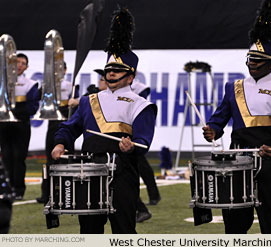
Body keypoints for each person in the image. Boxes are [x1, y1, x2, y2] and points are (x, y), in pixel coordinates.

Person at [51, 7, 157, 233]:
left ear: (130, 75)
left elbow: (143, 141)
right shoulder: (89, 100)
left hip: (122, 170)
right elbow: (70, 128)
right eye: (108, 69)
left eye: (117, 69)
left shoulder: (141, 104)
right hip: (89, 169)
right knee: (89, 231)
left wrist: (132, 146)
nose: (110, 73)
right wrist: (60, 143)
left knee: (123, 230)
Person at [202, 0, 271, 234]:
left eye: (259, 61)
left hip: (267, 166)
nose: (253, 64)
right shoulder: (233, 87)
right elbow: (219, 120)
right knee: (234, 227)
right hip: (236, 164)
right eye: (251, 59)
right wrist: (212, 130)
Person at [37, 62, 79, 204]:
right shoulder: (47, 85)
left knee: (67, 160)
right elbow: (39, 98)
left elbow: (76, 107)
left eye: (61, 68)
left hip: (66, 125)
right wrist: (46, 86)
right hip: (52, 124)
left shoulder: (71, 86)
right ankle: (46, 194)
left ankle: (69, 194)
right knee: (50, 160)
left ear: (65, 70)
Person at [0, 53, 39, 200]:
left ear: (27, 67)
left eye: (23, 63)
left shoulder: (30, 84)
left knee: (18, 157)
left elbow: (32, 107)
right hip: (4, 124)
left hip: (21, 125)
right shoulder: (2, 81)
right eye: (17, 62)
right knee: (6, 157)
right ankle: (6, 188)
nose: (19, 65)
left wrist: (13, 111)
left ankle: (18, 190)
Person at [131, 78, 161, 223]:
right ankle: (150, 198)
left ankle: (146, 202)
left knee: (141, 167)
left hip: (131, 131)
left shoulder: (139, 87)